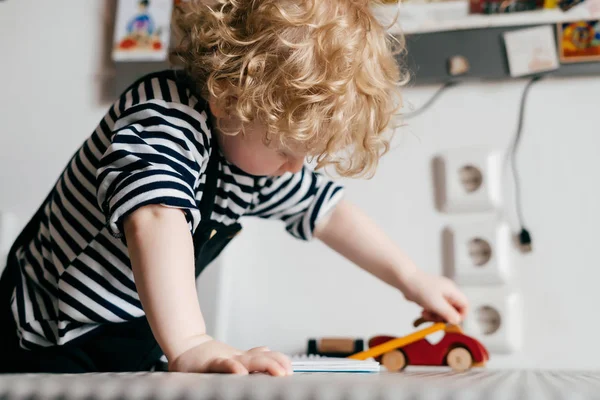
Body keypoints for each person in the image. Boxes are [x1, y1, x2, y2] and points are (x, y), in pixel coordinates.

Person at [0, 0, 468, 375]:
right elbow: (156, 219)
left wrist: (413, 279)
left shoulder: (249, 161)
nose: (295, 167)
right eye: (288, 149)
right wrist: (190, 343)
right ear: (228, 97)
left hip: (123, 350)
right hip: (44, 340)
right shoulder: (165, 116)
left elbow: (328, 212)